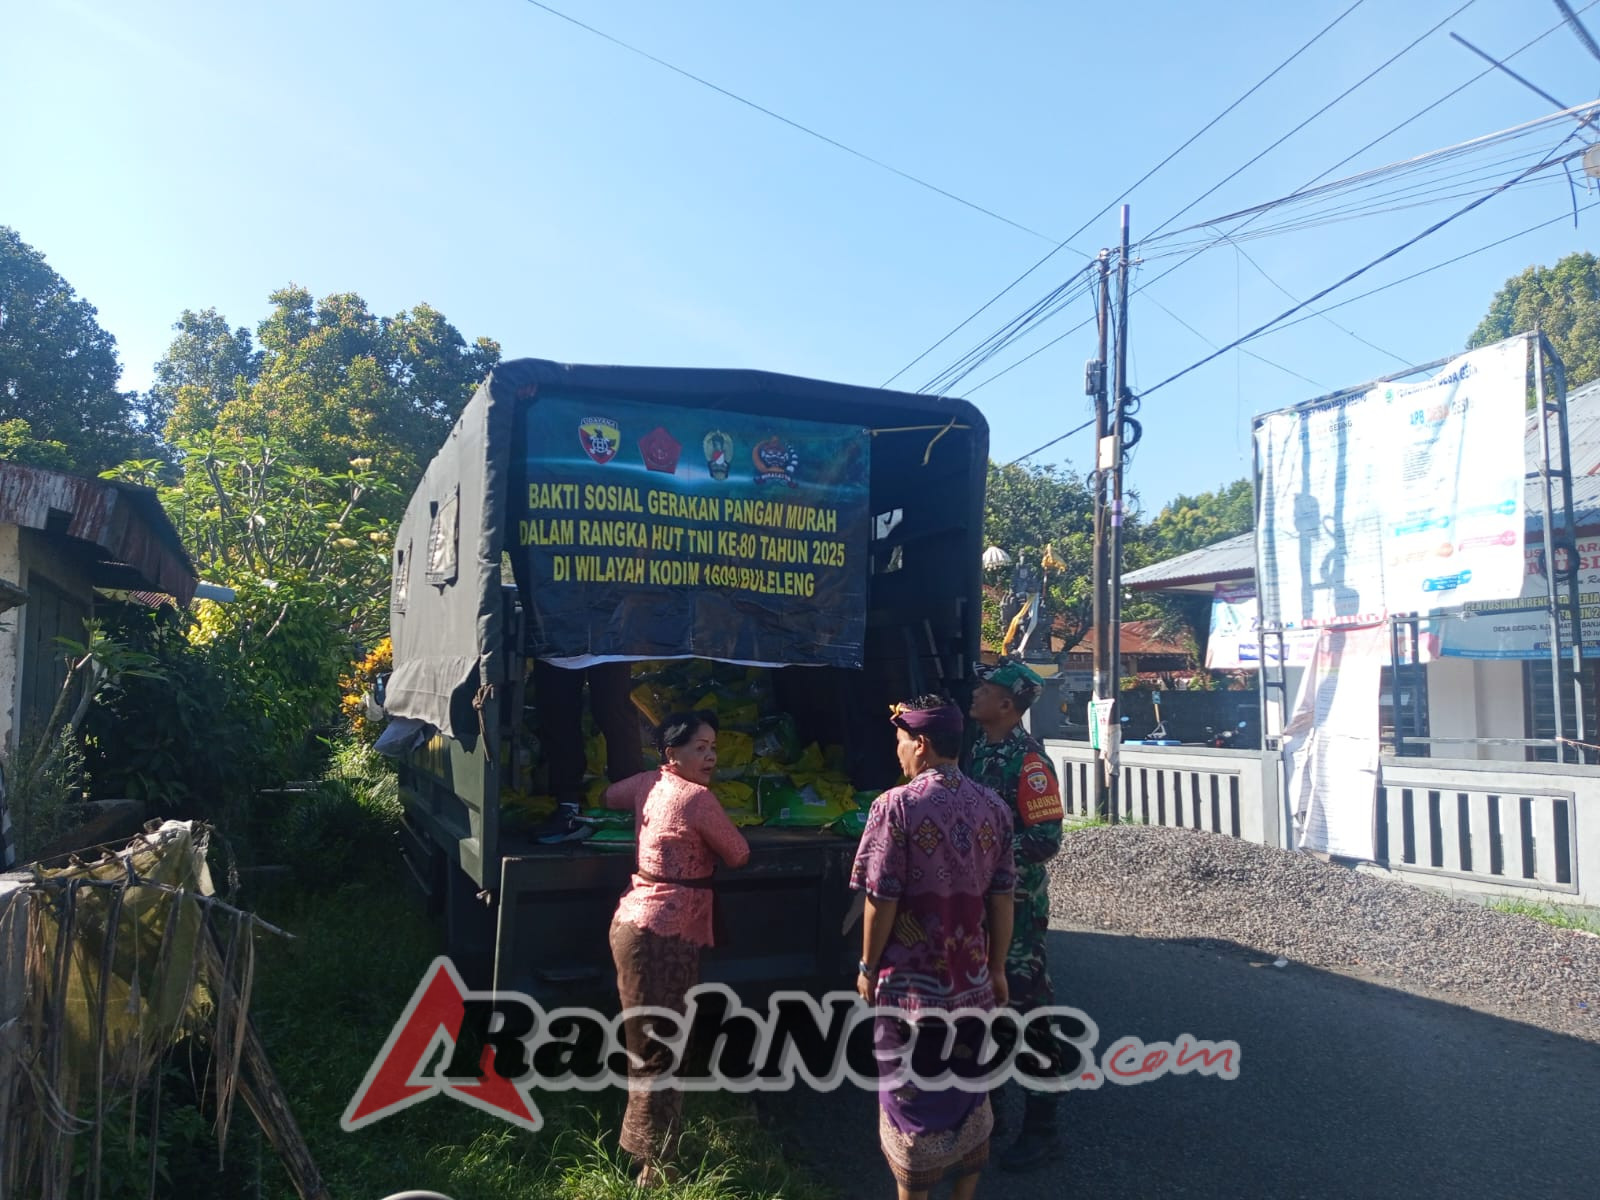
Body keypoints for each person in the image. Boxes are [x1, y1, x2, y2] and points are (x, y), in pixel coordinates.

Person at [850, 695, 1016, 1200]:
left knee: (911, 1099)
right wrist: (998, 967)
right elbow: (1004, 895)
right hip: (971, 983)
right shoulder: (994, 806)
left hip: (911, 989)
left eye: (901, 742)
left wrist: (866, 965)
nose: (898, 752)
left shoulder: (896, 806)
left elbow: (881, 898)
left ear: (921, 745)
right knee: (967, 1088)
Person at [603, 709, 750, 1187]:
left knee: (648, 1044)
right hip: (664, 934)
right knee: (663, 1048)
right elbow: (737, 852)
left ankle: (645, 1153)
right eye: (699, 748)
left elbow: (609, 795)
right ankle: (655, 1167)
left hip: (634, 924)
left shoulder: (649, 782)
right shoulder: (698, 800)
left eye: (713, 747)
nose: (710, 756)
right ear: (673, 753)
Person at [967, 658, 1066, 1173]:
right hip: (983, 906)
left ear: (1008, 704)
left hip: (1019, 910)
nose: (975, 693)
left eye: (985, 689)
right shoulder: (981, 749)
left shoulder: (1029, 762)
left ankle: (1042, 1127)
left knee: (1029, 1014)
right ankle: (992, 1115)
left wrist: (988, 861)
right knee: (988, 1008)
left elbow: (1046, 840)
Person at [532, 658, 647, 843]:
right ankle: (568, 807)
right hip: (559, 638)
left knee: (613, 708)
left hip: (607, 637)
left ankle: (633, 807)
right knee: (558, 709)